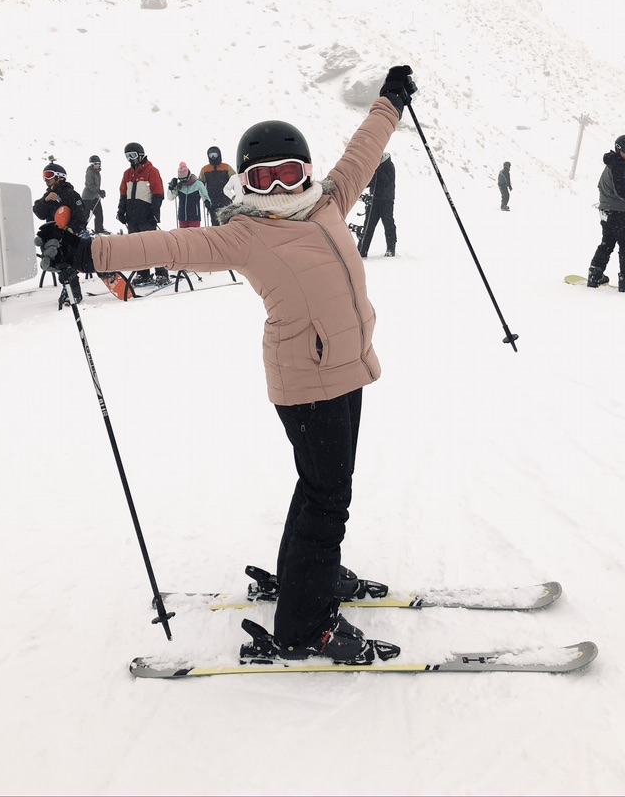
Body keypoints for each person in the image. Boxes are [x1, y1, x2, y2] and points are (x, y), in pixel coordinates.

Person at [36, 65, 417, 665]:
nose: (278, 185)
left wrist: (390, 103)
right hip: (307, 382)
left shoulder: (329, 202)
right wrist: (86, 252)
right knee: (328, 496)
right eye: (263, 177)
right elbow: (167, 244)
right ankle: (305, 624)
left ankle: (311, 575)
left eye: (289, 172)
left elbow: (363, 151)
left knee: (319, 488)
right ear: (246, 181)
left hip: (347, 370)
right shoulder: (244, 234)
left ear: (307, 172)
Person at [587, 134, 625, 292]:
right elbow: (621, 189)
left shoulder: (613, 163)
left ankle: (595, 274)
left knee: (607, 243)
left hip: (606, 211)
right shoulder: (618, 165)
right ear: (618, 148)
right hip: (618, 211)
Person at [32, 162, 88, 309]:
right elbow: (39, 212)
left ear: (59, 177)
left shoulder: (70, 194)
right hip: (52, 236)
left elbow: (81, 216)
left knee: (67, 264)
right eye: (44, 176)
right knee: (56, 263)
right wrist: (45, 200)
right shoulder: (49, 195)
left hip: (67, 235)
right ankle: (69, 289)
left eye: (49, 175)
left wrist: (70, 231)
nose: (46, 179)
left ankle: (73, 293)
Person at [116, 143, 169, 287]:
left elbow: (158, 193)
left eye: (132, 155)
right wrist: (121, 211)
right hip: (132, 217)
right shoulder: (127, 174)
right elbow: (123, 194)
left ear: (140, 155)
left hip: (146, 215)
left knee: (152, 245)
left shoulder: (151, 171)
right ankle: (143, 273)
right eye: (127, 156)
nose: (130, 159)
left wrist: (154, 213)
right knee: (136, 247)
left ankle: (161, 273)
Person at [357, 152, 397, 258]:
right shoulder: (376, 168)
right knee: (368, 226)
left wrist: (377, 170)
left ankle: (390, 249)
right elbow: (370, 182)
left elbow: (387, 181)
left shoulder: (389, 166)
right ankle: (362, 250)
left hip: (386, 201)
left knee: (388, 225)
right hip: (374, 200)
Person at [198, 146, 236, 225]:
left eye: (215, 155)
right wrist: (205, 200)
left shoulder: (226, 167)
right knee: (215, 226)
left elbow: (235, 181)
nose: (213, 157)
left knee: (227, 224)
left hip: (226, 202)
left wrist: (237, 195)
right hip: (212, 203)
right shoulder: (205, 169)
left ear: (219, 155)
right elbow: (200, 185)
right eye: (211, 155)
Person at [168, 162, 211, 228]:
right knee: (182, 237)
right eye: (181, 179)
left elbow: (205, 196)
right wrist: (171, 187)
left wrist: (207, 202)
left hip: (194, 217)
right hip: (182, 218)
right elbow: (170, 197)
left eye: (184, 179)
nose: (183, 181)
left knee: (194, 237)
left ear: (189, 175)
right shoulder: (180, 185)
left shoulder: (198, 184)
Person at [81, 155, 109, 235]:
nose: (98, 166)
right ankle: (81, 229)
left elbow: (96, 185)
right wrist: (98, 191)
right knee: (85, 215)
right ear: (92, 164)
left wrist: (100, 192)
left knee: (99, 213)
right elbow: (89, 185)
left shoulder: (97, 172)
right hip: (87, 197)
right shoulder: (89, 173)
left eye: (99, 164)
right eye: (96, 164)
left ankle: (99, 229)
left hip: (95, 197)